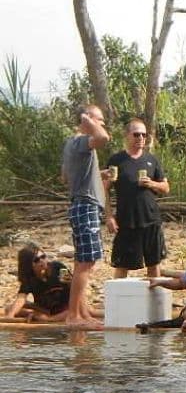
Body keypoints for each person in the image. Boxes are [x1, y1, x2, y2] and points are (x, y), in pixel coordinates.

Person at [61, 104, 110, 327]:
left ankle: (82, 313)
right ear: (87, 120)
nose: (102, 124)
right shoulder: (82, 141)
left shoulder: (71, 145)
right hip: (85, 206)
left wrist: (96, 175)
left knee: (83, 260)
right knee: (86, 262)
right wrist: (89, 122)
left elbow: (65, 176)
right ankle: (74, 316)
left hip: (81, 204)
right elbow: (103, 138)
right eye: (99, 119)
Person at [104, 118, 170, 278]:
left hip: (151, 219)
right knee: (122, 265)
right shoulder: (117, 160)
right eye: (136, 134)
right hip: (126, 221)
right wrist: (109, 216)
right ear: (127, 136)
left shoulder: (151, 160)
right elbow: (104, 190)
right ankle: (118, 300)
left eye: (144, 135)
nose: (141, 138)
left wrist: (151, 184)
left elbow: (166, 188)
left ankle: (155, 301)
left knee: (154, 263)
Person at [4, 245, 101, 322]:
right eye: (36, 260)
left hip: (65, 307)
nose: (42, 261)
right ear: (28, 265)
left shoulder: (58, 268)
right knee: (9, 309)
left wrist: (82, 307)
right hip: (47, 308)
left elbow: (73, 287)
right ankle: (39, 315)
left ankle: (47, 319)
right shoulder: (30, 279)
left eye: (43, 257)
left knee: (87, 311)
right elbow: (20, 299)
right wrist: (10, 317)